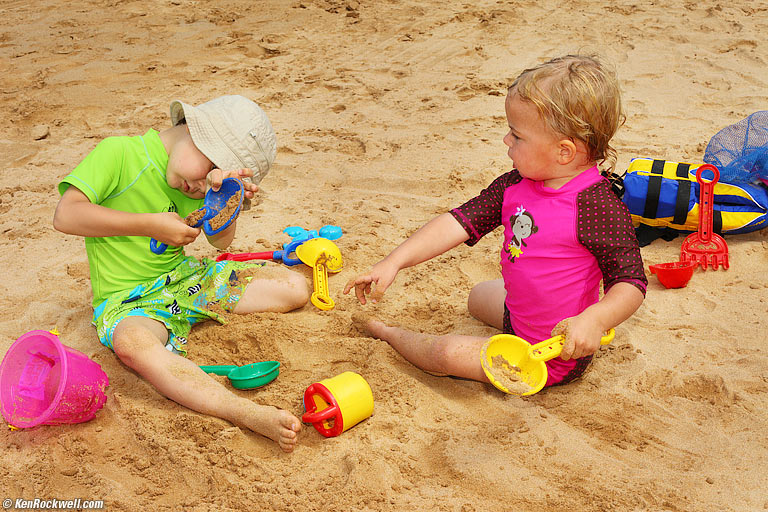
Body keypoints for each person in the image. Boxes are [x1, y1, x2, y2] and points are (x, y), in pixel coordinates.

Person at [344, 55, 647, 390]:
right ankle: (505, 322)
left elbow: (631, 282)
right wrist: (394, 261)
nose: (506, 141)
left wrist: (595, 319)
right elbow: (456, 223)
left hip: (549, 356)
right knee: (477, 297)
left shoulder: (596, 206)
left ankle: (389, 334)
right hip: (514, 317)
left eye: (517, 136)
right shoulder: (515, 184)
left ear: (564, 152)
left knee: (445, 354)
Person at [54, 95, 309, 452]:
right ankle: (242, 411)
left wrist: (225, 202)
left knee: (295, 287)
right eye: (205, 174)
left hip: (187, 282)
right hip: (130, 302)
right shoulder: (120, 154)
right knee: (133, 344)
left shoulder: (202, 183)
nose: (198, 187)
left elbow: (220, 242)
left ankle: (189, 329)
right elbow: (66, 215)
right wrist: (149, 226)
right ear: (192, 131)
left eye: (209, 181)